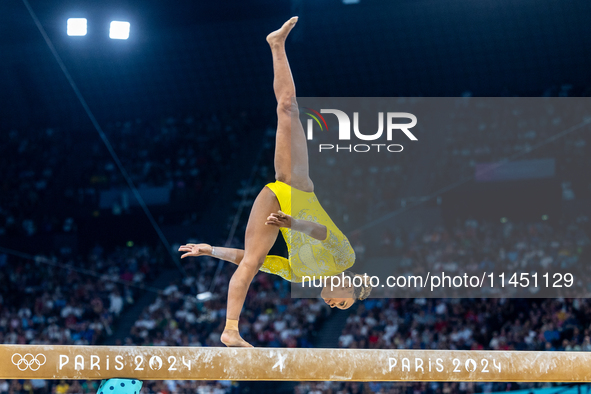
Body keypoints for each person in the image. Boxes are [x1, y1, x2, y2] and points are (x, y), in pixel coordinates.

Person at [178, 17, 372, 348]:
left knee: (253, 261)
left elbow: (250, 258)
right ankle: (276, 45)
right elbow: (323, 232)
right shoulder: (345, 259)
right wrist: (291, 222)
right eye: (342, 302)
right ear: (348, 286)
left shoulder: (299, 276)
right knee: (287, 108)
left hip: (275, 204)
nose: (333, 305)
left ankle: (230, 329)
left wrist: (210, 250)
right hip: (296, 187)